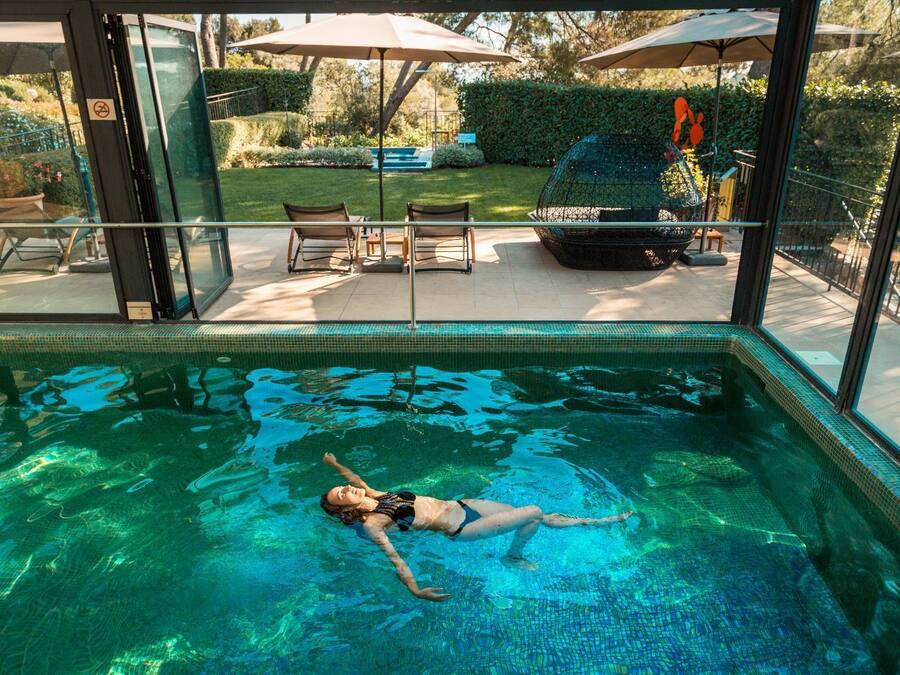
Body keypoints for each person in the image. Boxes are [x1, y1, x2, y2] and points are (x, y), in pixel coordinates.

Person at [319, 452, 633, 602]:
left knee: (536, 517)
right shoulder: (375, 524)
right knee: (533, 512)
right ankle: (513, 556)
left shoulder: (374, 493)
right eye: (341, 495)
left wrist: (334, 466)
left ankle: (593, 522)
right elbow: (396, 560)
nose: (346, 490)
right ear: (343, 510)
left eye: (341, 487)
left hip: (462, 505)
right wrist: (415, 590)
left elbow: (355, 480)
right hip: (459, 530)